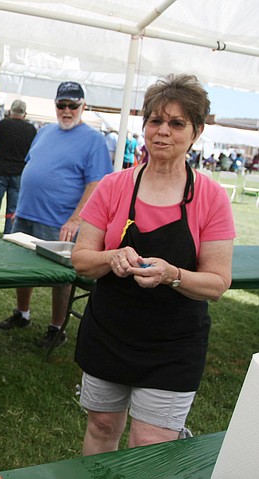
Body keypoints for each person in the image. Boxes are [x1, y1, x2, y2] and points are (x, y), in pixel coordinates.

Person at [72, 74, 235, 454]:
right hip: (110, 331)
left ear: (196, 132)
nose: (163, 131)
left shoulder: (210, 198)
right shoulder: (113, 186)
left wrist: (173, 275)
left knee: (151, 444)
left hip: (173, 344)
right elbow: (81, 259)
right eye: (155, 121)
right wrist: (111, 257)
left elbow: (217, 283)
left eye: (176, 123)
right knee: (101, 425)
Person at [0, 81, 112, 349]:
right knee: (21, 266)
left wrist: (75, 219)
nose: (67, 110)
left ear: (83, 107)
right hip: (26, 213)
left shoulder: (94, 140)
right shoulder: (45, 132)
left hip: (59, 222)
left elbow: (96, 184)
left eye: (73, 105)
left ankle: (56, 327)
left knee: (60, 277)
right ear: (56, 106)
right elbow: (33, 165)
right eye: (62, 105)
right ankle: (22, 313)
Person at [0, 99, 37, 237]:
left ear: (10, 111)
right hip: (20, 174)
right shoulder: (31, 129)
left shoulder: (3, 124)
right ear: (25, 114)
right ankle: (10, 236)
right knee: (13, 210)